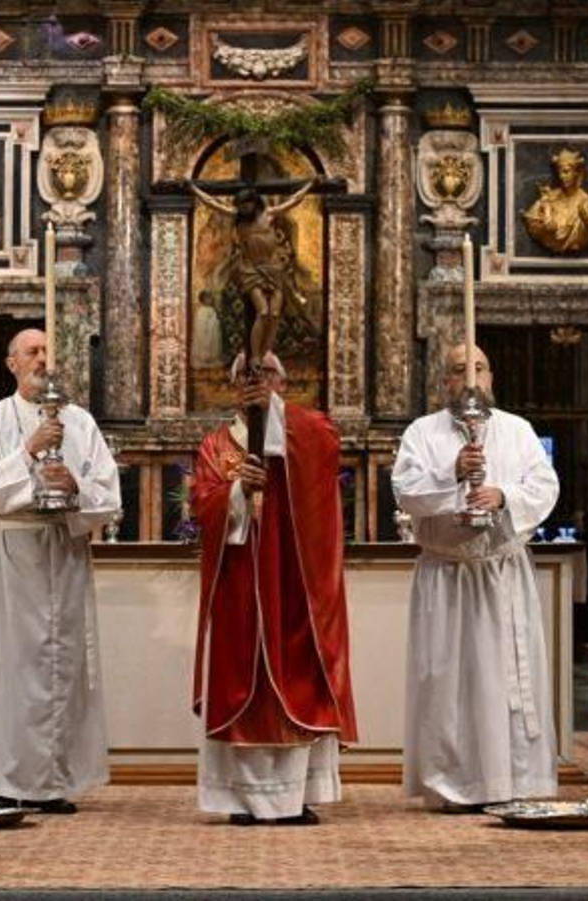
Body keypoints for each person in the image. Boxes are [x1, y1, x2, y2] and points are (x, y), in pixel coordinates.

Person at [392, 344, 560, 812]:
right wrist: (452, 473)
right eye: (458, 370)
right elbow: (406, 492)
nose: (471, 378)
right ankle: (452, 783)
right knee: (448, 681)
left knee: (504, 682)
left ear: (492, 377)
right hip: (447, 576)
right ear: (442, 381)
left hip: (500, 573)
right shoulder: (422, 433)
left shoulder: (518, 430)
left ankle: (514, 781)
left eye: (480, 368)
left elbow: (545, 486)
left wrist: (502, 496)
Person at [191, 351, 357, 825]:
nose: (256, 384)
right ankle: (240, 799)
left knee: (297, 679)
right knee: (243, 684)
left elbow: (326, 448)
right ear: (231, 386)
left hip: (293, 584)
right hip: (240, 589)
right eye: (246, 376)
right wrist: (237, 492)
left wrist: (276, 419)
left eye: (266, 376)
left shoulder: (307, 430)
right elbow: (203, 506)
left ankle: (296, 796)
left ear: (283, 383)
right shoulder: (216, 445)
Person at [0, 327, 120, 813]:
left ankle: (54, 782)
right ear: (11, 363)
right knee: (11, 668)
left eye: (49, 350)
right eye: (32, 351)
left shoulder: (80, 422)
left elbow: (107, 494)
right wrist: (29, 450)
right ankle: (6, 780)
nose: (42, 359)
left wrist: (74, 485)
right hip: (15, 549)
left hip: (63, 549)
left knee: (62, 666)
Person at [188, 181, 315, 364]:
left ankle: (267, 353)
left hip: (273, 267)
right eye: (241, 205)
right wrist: (193, 189)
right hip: (251, 269)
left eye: (247, 204)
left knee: (275, 313)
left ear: (254, 203)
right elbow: (211, 202)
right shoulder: (236, 216)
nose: (244, 208)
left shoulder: (268, 214)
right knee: (263, 311)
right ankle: (255, 355)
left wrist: (310, 185)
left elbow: (294, 201)